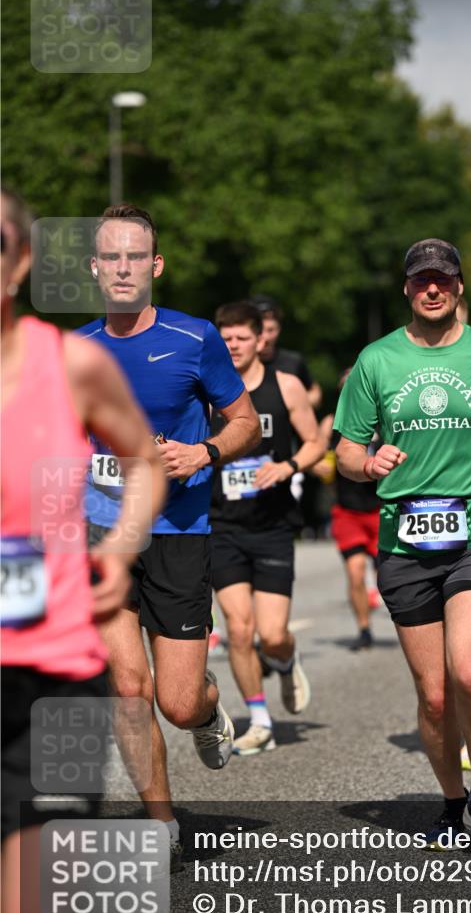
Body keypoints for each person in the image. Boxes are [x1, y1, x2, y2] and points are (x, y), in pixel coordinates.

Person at [1, 189, 165, 913]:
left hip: (53, 677)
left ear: (20, 260)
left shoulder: (70, 363)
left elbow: (140, 461)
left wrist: (121, 545)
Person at [335, 239, 471, 856]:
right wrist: (370, 465)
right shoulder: (377, 360)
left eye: (443, 280)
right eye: (421, 279)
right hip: (405, 537)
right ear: (407, 287)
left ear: (456, 286)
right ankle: (452, 804)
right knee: (433, 692)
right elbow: (344, 451)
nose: (432, 289)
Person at [78, 205, 260, 867]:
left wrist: (204, 454)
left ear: (154, 266)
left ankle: (208, 711)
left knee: (176, 703)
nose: (123, 268)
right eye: (111, 257)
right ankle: (163, 823)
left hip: (180, 530)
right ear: (95, 269)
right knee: (128, 688)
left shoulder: (195, 338)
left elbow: (245, 423)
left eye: (135, 257)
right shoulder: (74, 350)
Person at [210, 302, 325, 755]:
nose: (233, 346)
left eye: (241, 338)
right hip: (222, 524)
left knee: (272, 635)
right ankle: (259, 719)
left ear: (261, 340)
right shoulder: (206, 390)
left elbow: (317, 442)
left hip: (274, 524)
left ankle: (285, 658)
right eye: (225, 339)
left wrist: (289, 465)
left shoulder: (286, 385)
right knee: (239, 630)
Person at [319, 369, 382, 650]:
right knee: (355, 573)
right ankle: (364, 629)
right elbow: (316, 456)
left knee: (389, 576)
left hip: (382, 509)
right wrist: (320, 467)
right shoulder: (331, 424)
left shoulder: (385, 420)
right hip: (347, 511)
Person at [249, 294, 322, 409]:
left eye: (271, 330)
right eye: (261, 330)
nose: (266, 337)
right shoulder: (239, 363)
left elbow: (315, 393)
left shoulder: (293, 361)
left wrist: (294, 403)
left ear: (279, 329)